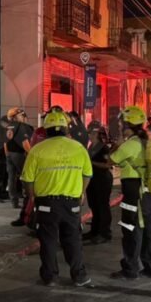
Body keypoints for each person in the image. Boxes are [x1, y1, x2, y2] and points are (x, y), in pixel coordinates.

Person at [21, 110, 92, 287]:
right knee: (73, 240)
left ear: (46, 130)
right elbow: (87, 174)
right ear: (66, 128)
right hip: (72, 204)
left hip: (46, 204)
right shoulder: (79, 148)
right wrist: (81, 193)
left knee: (48, 241)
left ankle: (50, 277)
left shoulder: (37, 150)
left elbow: (27, 180)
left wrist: (32, 197)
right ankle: (79, 276)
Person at [110, 106, 151, 280]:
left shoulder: (131, 144)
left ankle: (130, 269)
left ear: (127, 125)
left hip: (135, 190)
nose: (120, 126)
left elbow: (110, 160)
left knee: (131, 229)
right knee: (149, 230)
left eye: (121, 123)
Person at [83, 126, 113, 244]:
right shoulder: (91, 146)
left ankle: (104, 233)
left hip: (102, 180)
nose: (88, 134)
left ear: (95, 134)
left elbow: (106, 165)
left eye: (90, 133)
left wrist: (90, 163)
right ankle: (94, 231)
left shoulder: (103, 148)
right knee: (94, 206)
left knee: (102, 206)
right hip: (93, 180)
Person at [5, 107, 31, 212]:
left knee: (11, 178)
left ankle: (14, 202)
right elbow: (25, 143)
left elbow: (5, 143)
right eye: (21, 115)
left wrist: (7, 155)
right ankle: (27, 199)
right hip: (19, 155)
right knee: (25, 177)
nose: (23, 117)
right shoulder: (20, 126)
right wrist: (32, 153)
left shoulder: (7, 127)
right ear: (15, 117)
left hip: (9, 154)